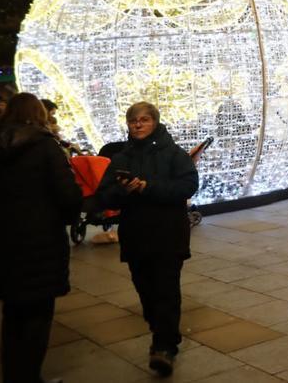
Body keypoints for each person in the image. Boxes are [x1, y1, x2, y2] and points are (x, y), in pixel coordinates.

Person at [97, 102, 199, 377]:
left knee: (166, 289)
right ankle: (165, 332)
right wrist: (124, 190)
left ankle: (163, 347)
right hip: (136, 235)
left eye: (144, 120)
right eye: (134, 121)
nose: (138, 125)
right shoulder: (121, 157)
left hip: (168, 234)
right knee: (146, 290)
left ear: (155, 122)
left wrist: (148, 187)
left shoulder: (174, 153)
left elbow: (188, 185)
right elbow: (104, 196)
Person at [0, 93, 82, 383]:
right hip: (41, 243)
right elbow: (68, 195)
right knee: (37, 316)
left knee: (12, 315)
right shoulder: (46, 146)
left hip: (5, 245)